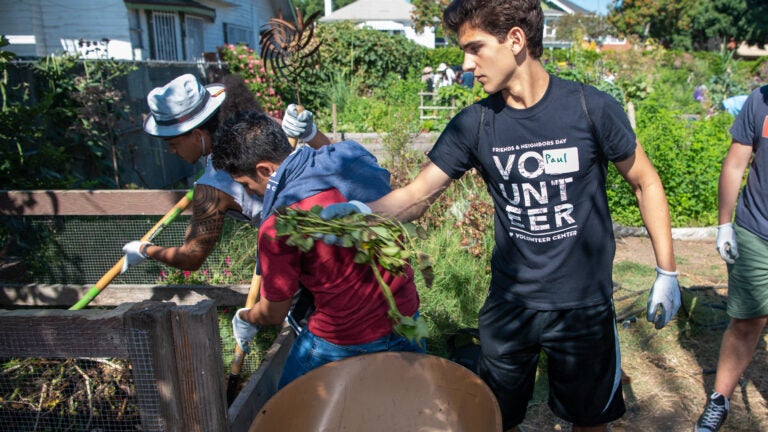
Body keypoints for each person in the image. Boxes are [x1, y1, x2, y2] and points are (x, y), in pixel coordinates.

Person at [320, 1, 680, 431]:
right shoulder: (475, 124)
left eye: (475, 48)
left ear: (515, 40)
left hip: (583, 306)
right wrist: (362, 214)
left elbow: (646, 182)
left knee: (589, 422)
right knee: (491, 417)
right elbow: (418, 195)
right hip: (510, 305)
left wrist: (667, 272)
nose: (466, 65)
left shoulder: (590, 109)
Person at [211, 110, 424, 388]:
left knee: (289, 406)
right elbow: (337, 157)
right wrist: (315, 136)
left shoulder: (281, 225)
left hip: (345, 338)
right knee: (408, 398)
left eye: (247, 185)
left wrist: (247, 318)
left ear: (265, 170)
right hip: (405, 317)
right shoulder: (352, 157)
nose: (250, 194)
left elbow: (275, 312)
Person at [120, 73, 329, 273]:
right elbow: (333, 159)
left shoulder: (213, 186)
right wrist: (311, 134)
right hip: (337, 237)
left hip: (306, 263)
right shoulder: (258, 126)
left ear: (197, 135)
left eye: (173, 143)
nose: (171, 151)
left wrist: (145, 250)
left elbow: (191, 257)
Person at [694, 85, 768, 432]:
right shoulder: (760, 100)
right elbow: (736, 164)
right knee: (747, 320)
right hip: (756, 230)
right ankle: (719, 400)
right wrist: (724, 224)